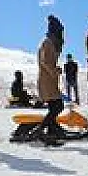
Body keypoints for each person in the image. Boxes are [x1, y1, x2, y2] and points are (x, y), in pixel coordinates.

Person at [35, 15, 67, 147]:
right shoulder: (48, 42)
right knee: (57, 106)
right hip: (47, 80)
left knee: (55, 106)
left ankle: (52, 132)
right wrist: (55, 71)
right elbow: (46, 62)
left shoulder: (51, 42)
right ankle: (41, 130)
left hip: (49, 80)